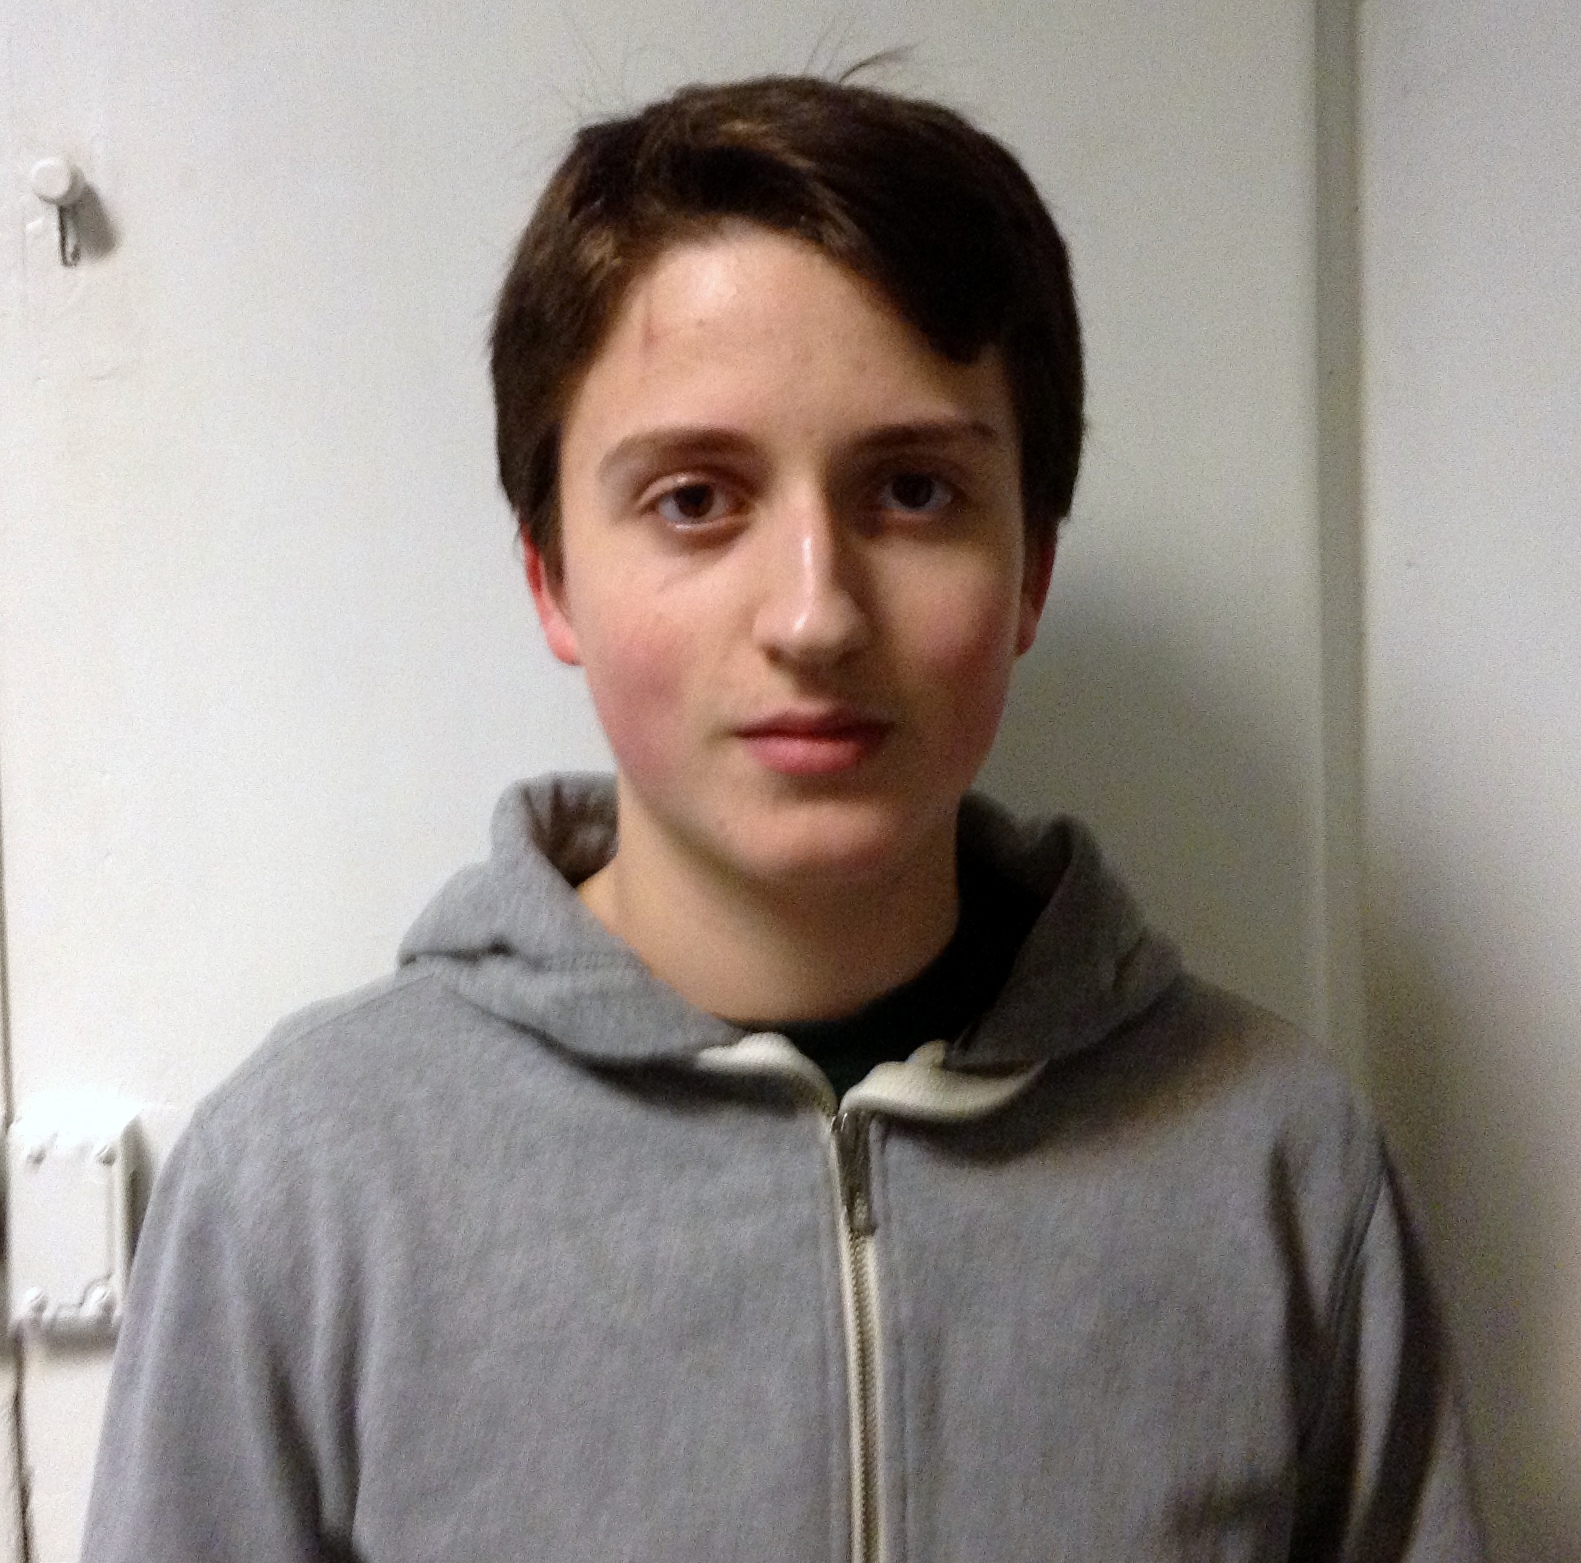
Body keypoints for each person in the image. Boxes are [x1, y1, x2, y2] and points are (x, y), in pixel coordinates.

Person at [83, 75, 1486, 1562]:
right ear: (552, 577)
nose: (814, 616)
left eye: (914, 491)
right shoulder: (302, 1191)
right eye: (695, 499)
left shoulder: (1277, 1168)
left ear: (1029, 571)